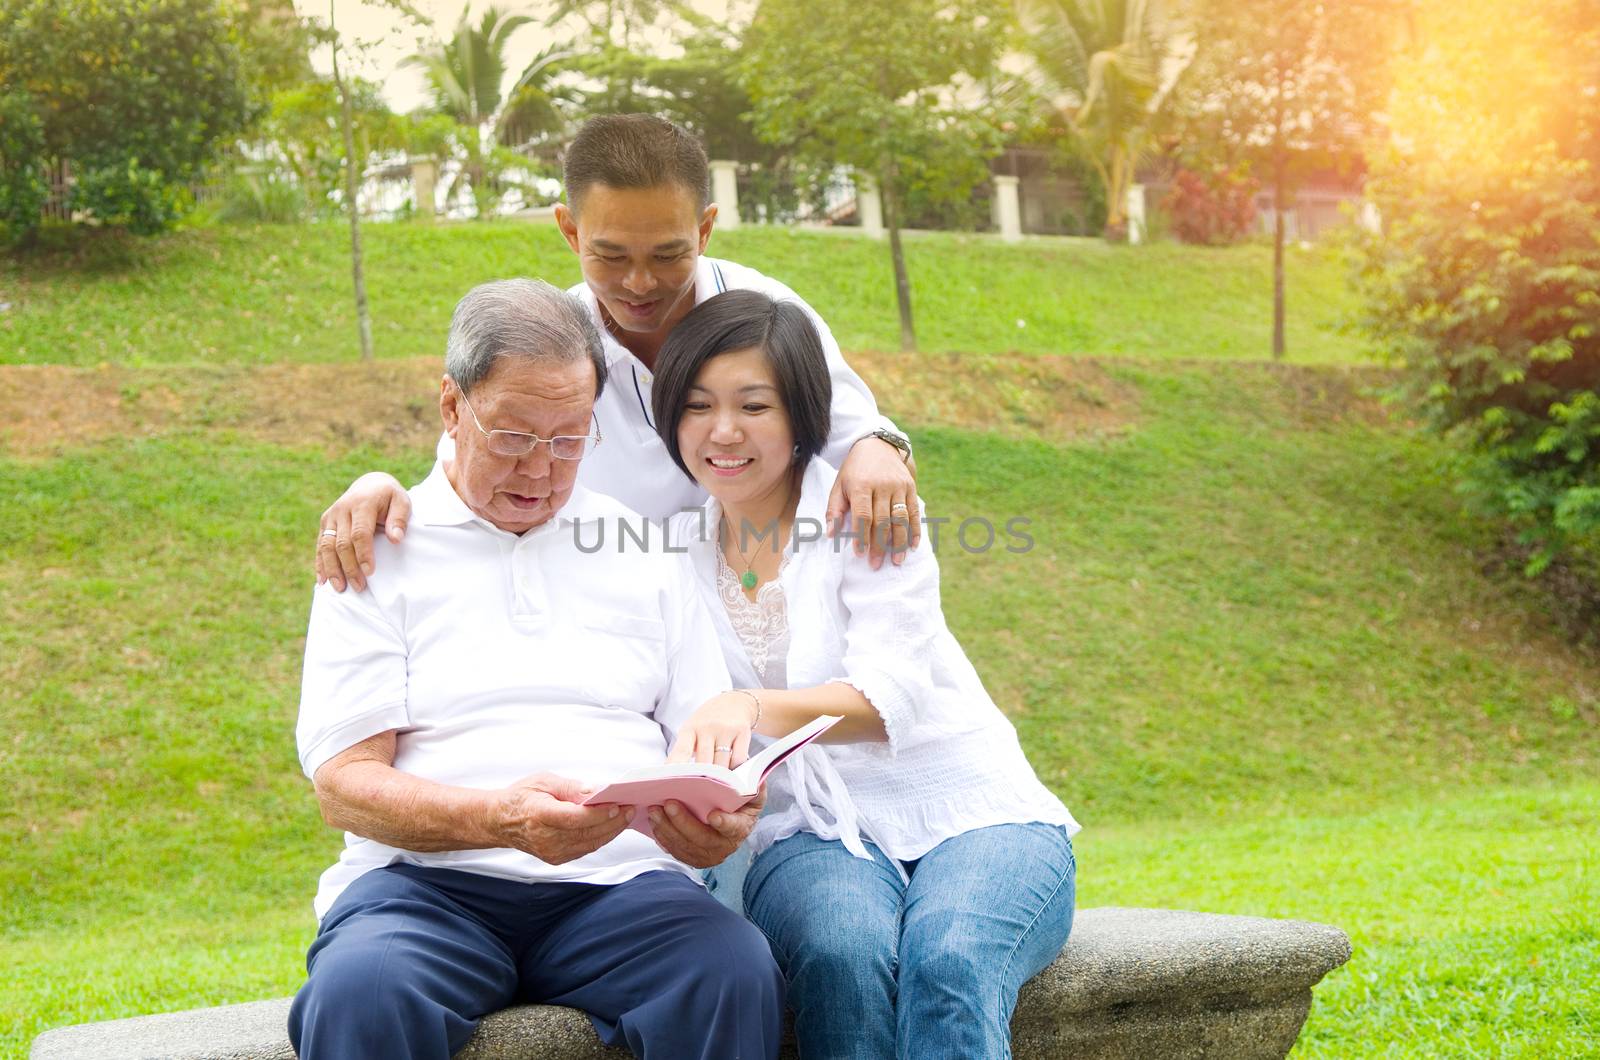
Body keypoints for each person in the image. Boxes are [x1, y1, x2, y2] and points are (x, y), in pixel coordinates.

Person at [290, 278, 783, 1060]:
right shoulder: (374, 549)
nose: (543, 471)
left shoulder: (639, 548)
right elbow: (343, 783)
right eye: (515, 437)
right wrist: (499, 820)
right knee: (363, 990)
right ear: (453, 406)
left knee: (729, 968)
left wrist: (712, 823)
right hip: (424, 890)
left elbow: (702, 736)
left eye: (569, 439)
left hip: (619, 888)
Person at [652, 289, 1081, 1060]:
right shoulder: (669, 553)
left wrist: (747, 704)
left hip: (975, 809)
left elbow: (893, 700)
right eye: (697, 406)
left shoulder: (868, 508)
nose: (723, 431)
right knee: (842, 955)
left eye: (755, 405)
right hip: (810, 830)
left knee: (950, 957)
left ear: (804, 416)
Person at [316, 113, 918, 593]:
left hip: (768, 604)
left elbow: (864, 443)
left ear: (705, 230)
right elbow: (468, 476)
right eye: (609, 256)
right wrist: (377, 487)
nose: (638, 284)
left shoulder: (768, 313)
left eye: (666, 255)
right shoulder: (549, 341)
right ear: (569, 231)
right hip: (626, 617)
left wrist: (879, 448)